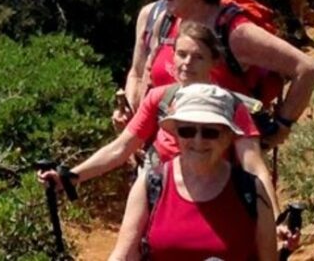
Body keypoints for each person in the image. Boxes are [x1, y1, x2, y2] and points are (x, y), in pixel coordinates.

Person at [43, 22, 272, 198]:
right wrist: (72, 176)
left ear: (214, 62)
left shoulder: (231, 106)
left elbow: (253, 166)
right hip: (160, 195)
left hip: (214, 197)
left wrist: (273, 219)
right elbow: (121, 148)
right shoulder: (159, 98)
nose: (187, 63)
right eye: (182, 54)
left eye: (198, 57)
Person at [146, 0, 314, 139]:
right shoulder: (169, 21)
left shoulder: (235, 32)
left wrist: (281, 126)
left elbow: (307, 69)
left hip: (228, 157)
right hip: (171, 153)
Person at [106, 84, 280, 261]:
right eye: (187, 131)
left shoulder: (250, 190)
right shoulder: (151, 184)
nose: (198, 141)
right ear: (176, 135)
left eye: (210, 132)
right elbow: (123, 255)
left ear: (228, 137)